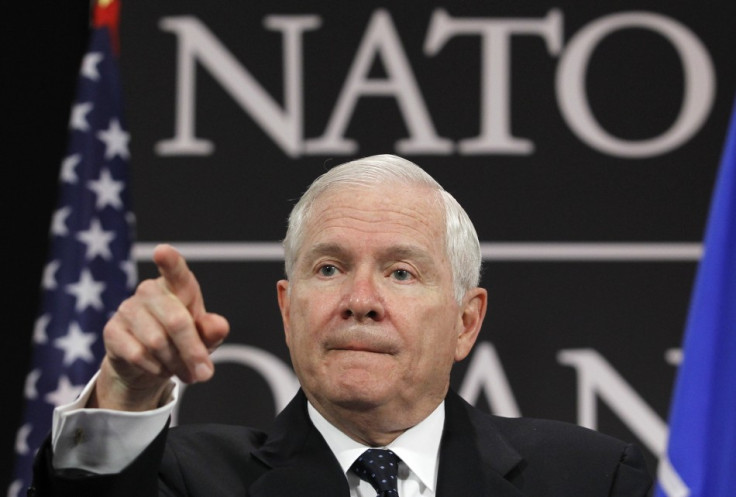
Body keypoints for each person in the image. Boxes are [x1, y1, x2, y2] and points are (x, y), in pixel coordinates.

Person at [29, 154, 652, 496]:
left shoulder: (590, 481)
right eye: (328, 268)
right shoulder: (186, 479)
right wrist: (126, 392)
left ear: (466, 321)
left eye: (401, 273)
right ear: (286, 307)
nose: (361, 300)